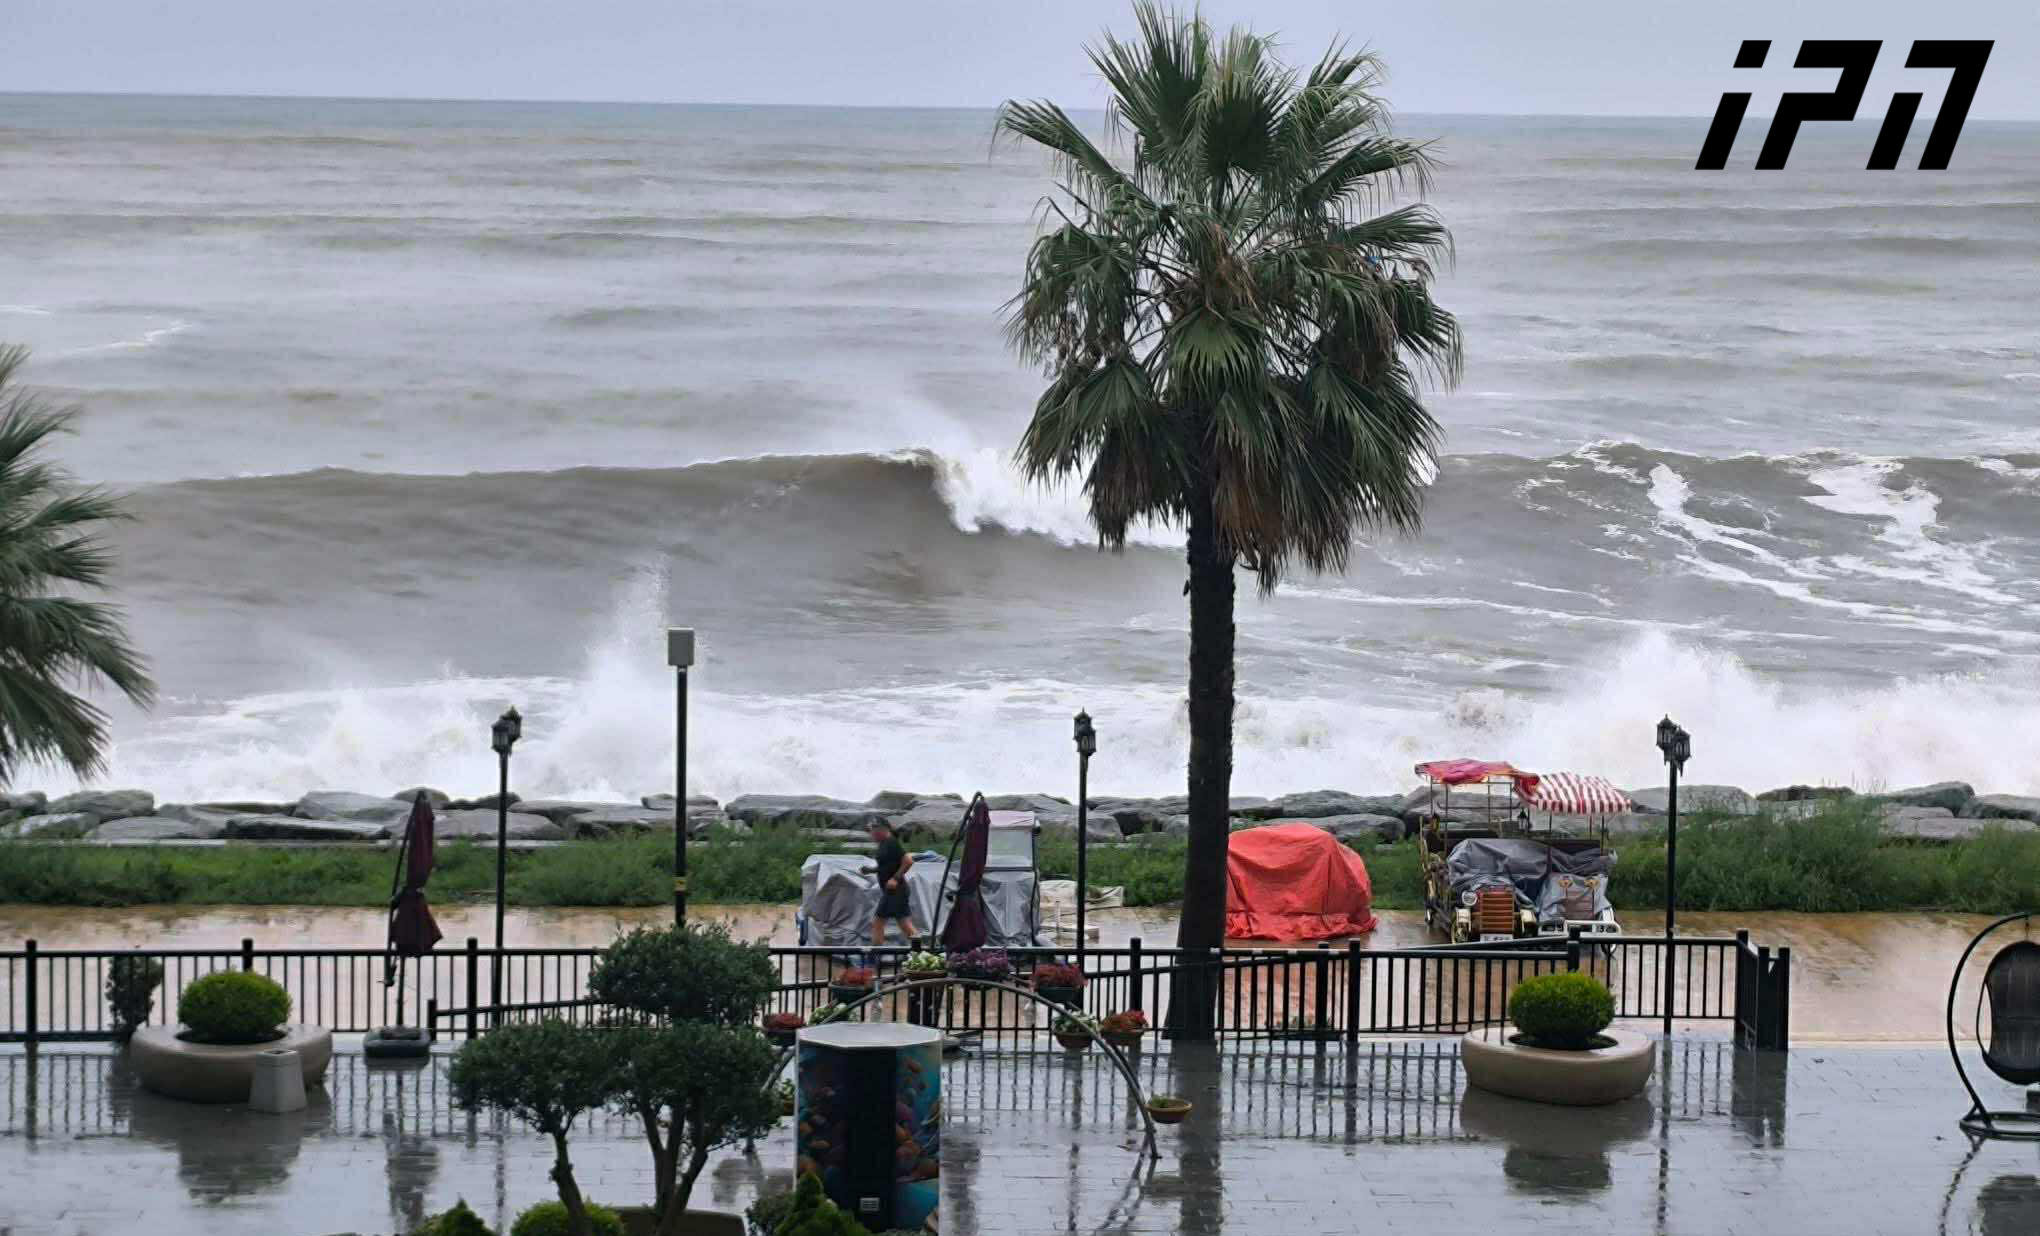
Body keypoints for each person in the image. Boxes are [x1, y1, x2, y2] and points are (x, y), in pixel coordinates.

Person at [870, 821, 918, 951]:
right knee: (904, 924)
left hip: (896, 891)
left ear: (881, 830)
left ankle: (874, 957)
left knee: (878, 923)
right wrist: (871, 870)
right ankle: (920, 953)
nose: (871, 835)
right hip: (893, 891)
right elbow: (887, 865)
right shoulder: (884, 844)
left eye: (872, 832)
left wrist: (895, 879)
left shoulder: (891, 842)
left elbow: (908, 861)